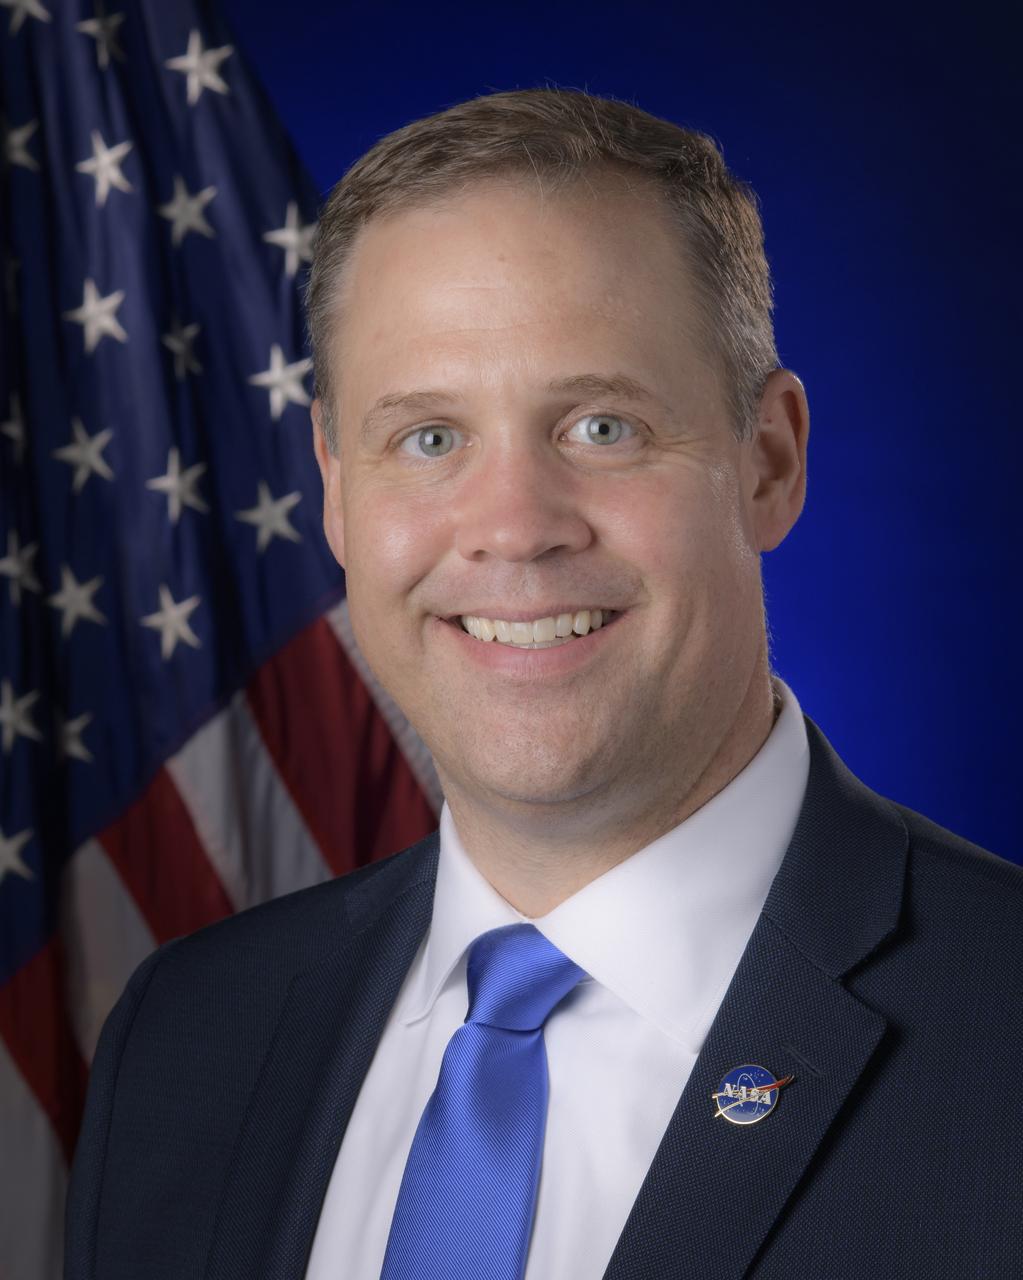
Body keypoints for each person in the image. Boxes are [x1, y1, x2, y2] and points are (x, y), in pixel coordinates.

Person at [65, 88, 1023, 1280]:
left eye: (604, 426)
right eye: (428, 438)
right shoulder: (185, 1036)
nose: (513, 529)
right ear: (334, 490)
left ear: (768, 460)